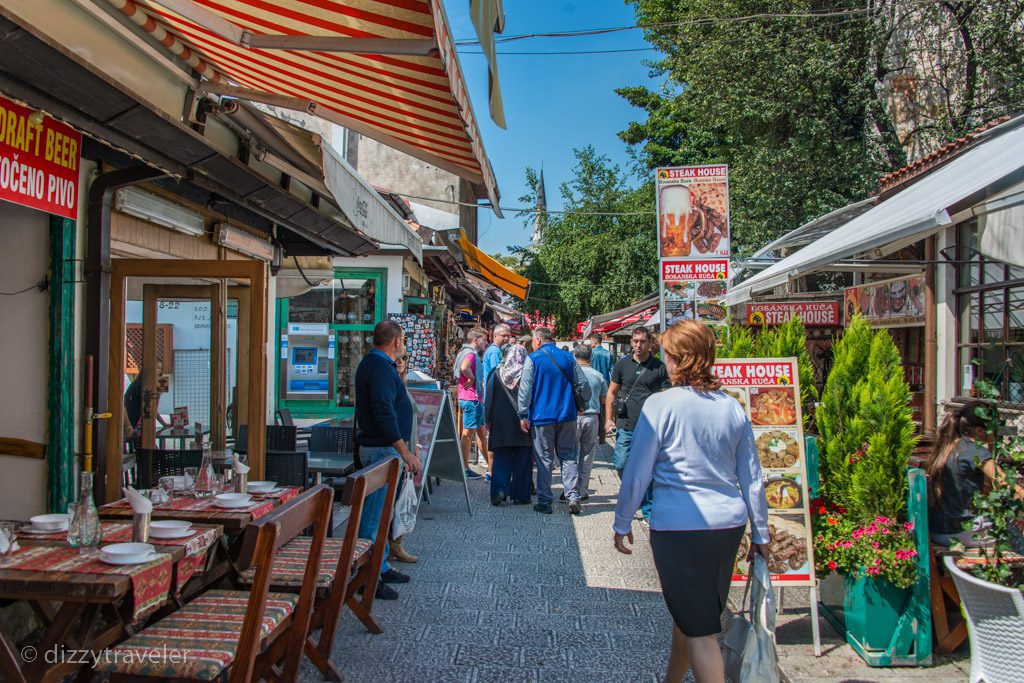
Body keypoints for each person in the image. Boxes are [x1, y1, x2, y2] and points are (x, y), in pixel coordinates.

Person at [613, 321, 770, 683]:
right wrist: (760, 532)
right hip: (727, 525)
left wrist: (622, 522)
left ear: (678, 359)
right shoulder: (731, 407)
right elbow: (752, 476)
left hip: (678, 528)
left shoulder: (661, 406)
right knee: (692, 614)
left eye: (667, 353)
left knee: (700, 628)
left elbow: (638, 472)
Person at [354, 320, 422, 600]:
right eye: (403, 339)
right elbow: (383, 412)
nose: (403, 343)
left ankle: (380, 566)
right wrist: (404, 450)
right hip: (382, 450)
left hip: (385, 449)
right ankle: (367, 577)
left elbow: (394, 401)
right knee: (372, 517)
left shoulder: (381, 366)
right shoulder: (379, 368)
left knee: (383, 514)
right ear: (396, 341)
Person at [926, 401, 1024, 547]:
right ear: (979, 431)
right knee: (1010, 530)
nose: (996, 430)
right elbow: (1005, 483)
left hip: (938, 530)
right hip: (958, 532)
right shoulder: (975, 451)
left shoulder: (951, 447)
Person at [517, 327, 591, 515]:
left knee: (544, 458)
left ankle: (544, 501)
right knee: (568, 455)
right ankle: (572, 496)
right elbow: (582, 384)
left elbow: (525, 390)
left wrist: (523, 414)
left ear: (539, 340)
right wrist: (583, 404)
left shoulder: (533, 359)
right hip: (567, 414)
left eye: (533, 340)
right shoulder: (568, 357)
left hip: (542, 416)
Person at [605, 326, 669, 523]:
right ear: (631, 342)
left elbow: (666, 397)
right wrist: (608, 420)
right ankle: (636, 493)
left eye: (642, 341)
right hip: (626, 423)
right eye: (635, 341)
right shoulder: (622, 365)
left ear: (650, 343)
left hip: (651, 426)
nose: (638, 345)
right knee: (621, 462)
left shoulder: (659, 367)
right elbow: (611, 393)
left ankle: (648, 509)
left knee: (649, 469)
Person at [484, 342, 532, 506]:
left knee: (501, 458)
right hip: (523, 421)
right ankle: (520, 494)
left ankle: (499, 490)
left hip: (501, 421)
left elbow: (488, 398)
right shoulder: (529, 373)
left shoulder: (496, 373)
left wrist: (487, 419)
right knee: (522, 458)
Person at [389, 354, 419, 564]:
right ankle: (391, 547)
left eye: (404, 357)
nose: (400, 361)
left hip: (405, 448)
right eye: (397, 357)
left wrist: (414, 449)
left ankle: (396, 544)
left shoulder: (403, 384)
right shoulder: (389, 383)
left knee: (399, 500)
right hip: (396, 450)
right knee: (393, 501)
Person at [573, 344, 607, 502]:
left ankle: (570, 488)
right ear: (590, 357)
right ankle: (582, 490)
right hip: (592, 416)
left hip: (573, 417)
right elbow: (603, 399)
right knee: (587, 455)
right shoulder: (599, 375)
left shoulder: (572, 374)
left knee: (570, 454)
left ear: (575, 355)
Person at [455, 327, 488, 480]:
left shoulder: (466, 351)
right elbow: (464, 367)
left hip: (474, 399)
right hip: (471, 398)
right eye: (484, 339)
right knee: (467, 434)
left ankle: (491, 465)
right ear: (476, 340)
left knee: (481, 433)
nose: (486, 343)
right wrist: (472, 378)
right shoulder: (470, 353)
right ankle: (464, 468)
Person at [481, 324, 511, 480]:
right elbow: (499, 374)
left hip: (492, 397)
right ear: (495, 336)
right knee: (494, 438)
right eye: (504, 335)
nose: (507, 338)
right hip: (494, 399)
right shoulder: (494, 351)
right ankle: (492, 472)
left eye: (508, 335)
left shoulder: (494, 351)